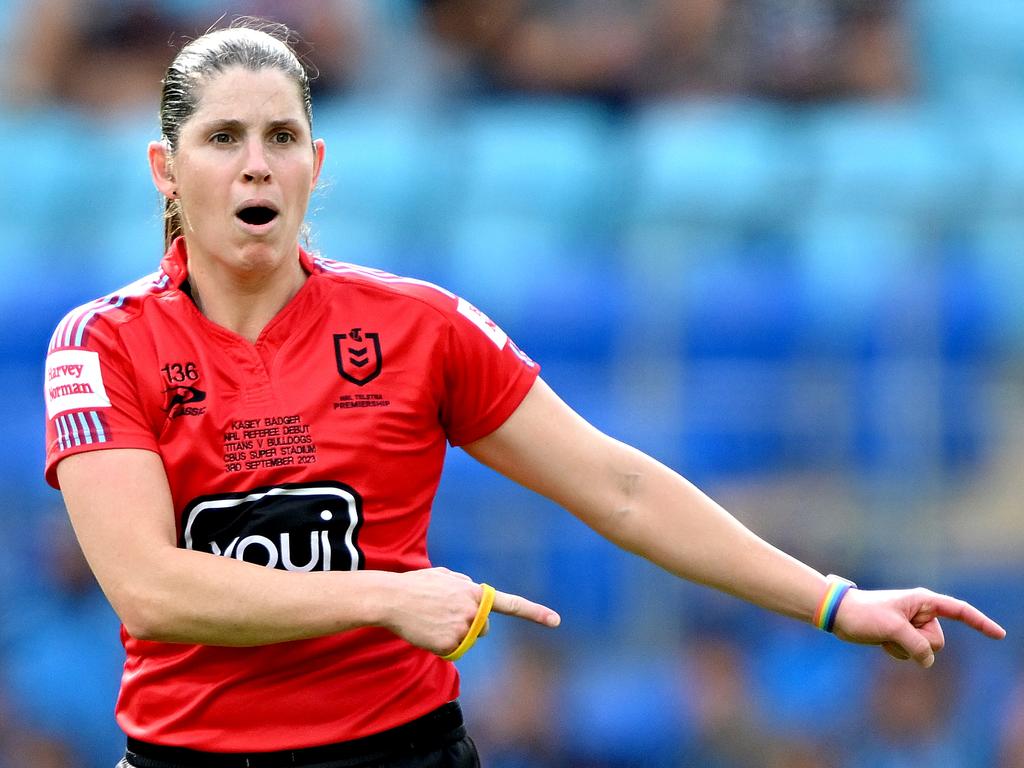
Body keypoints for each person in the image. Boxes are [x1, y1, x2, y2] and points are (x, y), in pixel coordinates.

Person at [43, 19, 1005, 768]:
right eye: (222, 137)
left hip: (400, 750)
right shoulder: (101, 343)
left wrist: (834, 601)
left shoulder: (421, 328)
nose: (255, 161)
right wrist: (382, 598)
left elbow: (617, 487)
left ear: (316, 166)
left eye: (281, 135)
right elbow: (151, 588)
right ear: (167, 169)